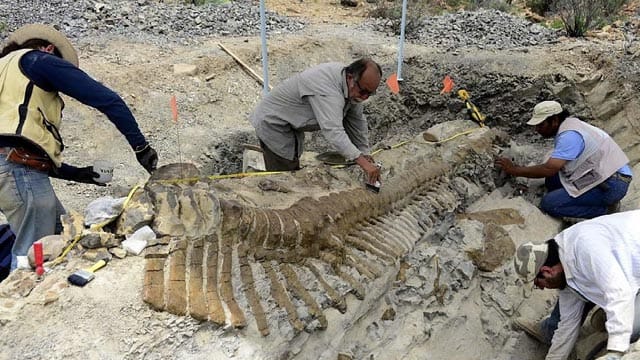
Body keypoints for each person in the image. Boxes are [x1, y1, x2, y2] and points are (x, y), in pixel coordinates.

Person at [0, 24, 158, 271]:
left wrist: (80, 174)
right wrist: (141, 147)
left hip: (15, 173)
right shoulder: (40, 60)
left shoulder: (6, 73)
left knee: (59, 237)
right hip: (18, 172)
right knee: (31, 261)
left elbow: (18, 146)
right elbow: (108, 100)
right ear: (49, 48)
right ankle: (14, 307)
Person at [513, 210, 640, 360]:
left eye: (539, 284)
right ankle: (609, 315)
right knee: (614, 314)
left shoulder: (587, 250)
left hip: (628, 273)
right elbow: (568, 325)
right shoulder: (563, 264)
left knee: (631, 328)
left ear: (547, 271)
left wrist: (615, 352)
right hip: (625, 271)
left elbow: (620, 293)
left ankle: (611, 316)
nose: (542, 288)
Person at [249, 58, 382, 186]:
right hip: (273, 124)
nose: (364, 97)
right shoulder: (327, 89)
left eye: (369, 94)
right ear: (350, 78)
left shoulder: (351, 86)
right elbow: (333, 131)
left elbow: (357, 122)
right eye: (363, 91)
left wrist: (365, 153)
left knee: (291, 167)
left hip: (290, 126)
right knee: (284, 176)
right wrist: (363, 163)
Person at [495, 100, 632, 220]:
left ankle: (605, 211)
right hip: (606, 175)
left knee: (550, 204)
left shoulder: (569, 135)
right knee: (552, 181)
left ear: (554, 121)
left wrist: (515, 170)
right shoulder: (570, 124)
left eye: (541, 125)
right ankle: (591, 200)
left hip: (612, 184)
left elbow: (548, 169)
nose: (537, 129)